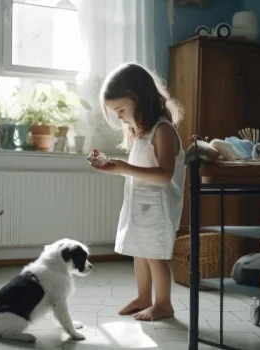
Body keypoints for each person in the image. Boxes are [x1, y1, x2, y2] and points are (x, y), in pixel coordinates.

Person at [92, 62, 185, 321]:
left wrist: (124, 167)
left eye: (121, 110)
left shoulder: (163, 130)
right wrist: (114, 167)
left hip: (158, 207)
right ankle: (144, 296)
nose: (120, 118)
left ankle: (163, 304)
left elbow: (165, 176)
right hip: (141, 205)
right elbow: (138, 167)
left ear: (139, 99)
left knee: (154, 255)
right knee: (139, 250)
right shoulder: (140, 132)